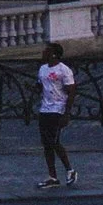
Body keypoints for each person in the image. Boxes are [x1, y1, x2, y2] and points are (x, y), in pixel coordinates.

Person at [34, 42, 77, 189]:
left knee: (54, 141)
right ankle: (52, 176)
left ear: (53, 54)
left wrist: (67, 113)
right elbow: (41, 86)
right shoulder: (42, 69)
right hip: (45, 109)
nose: (43, 52)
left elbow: (71, 92)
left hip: (58, 109)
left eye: (46, 51)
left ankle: (69, 170)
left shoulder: (64, 70)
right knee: (46, 143)